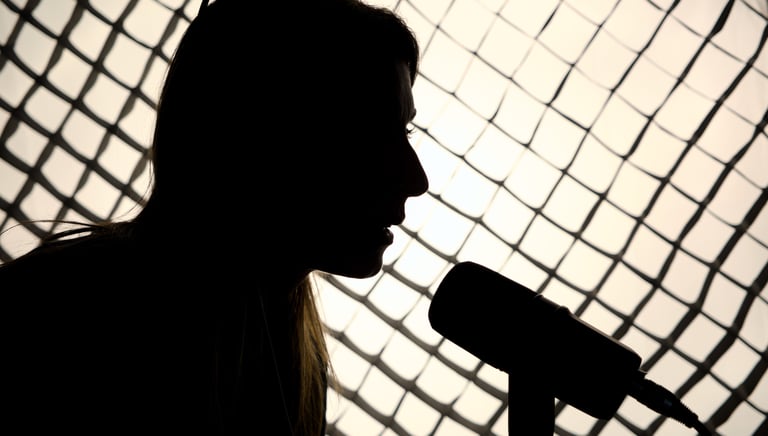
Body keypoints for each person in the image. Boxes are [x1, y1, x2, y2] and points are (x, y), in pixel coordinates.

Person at [0, 0, 428, 434]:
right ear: (259, 129)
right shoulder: (61, 313)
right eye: (372, 132)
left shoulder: (295, 365)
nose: (416, 179)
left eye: (405, 132)